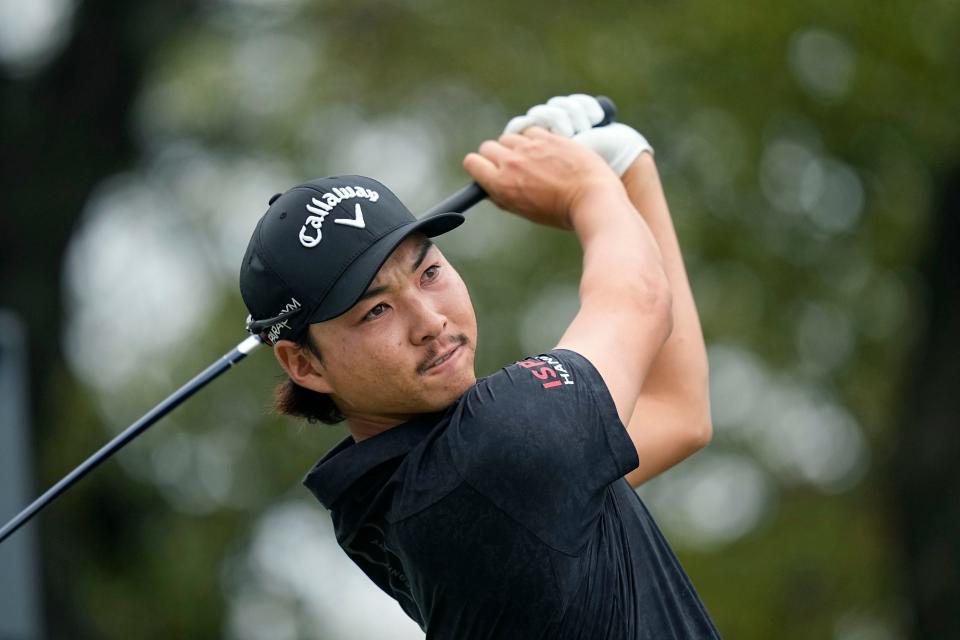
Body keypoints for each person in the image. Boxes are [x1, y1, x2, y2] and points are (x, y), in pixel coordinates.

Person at [239, 95, 719, 638]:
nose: (429, 321)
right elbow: (641, 299)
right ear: (304, 364)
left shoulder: (387, 499)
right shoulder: (489, 456)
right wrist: (590, 186)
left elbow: (676, 412)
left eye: (428, 273)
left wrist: (628, 169)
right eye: (375, 310)